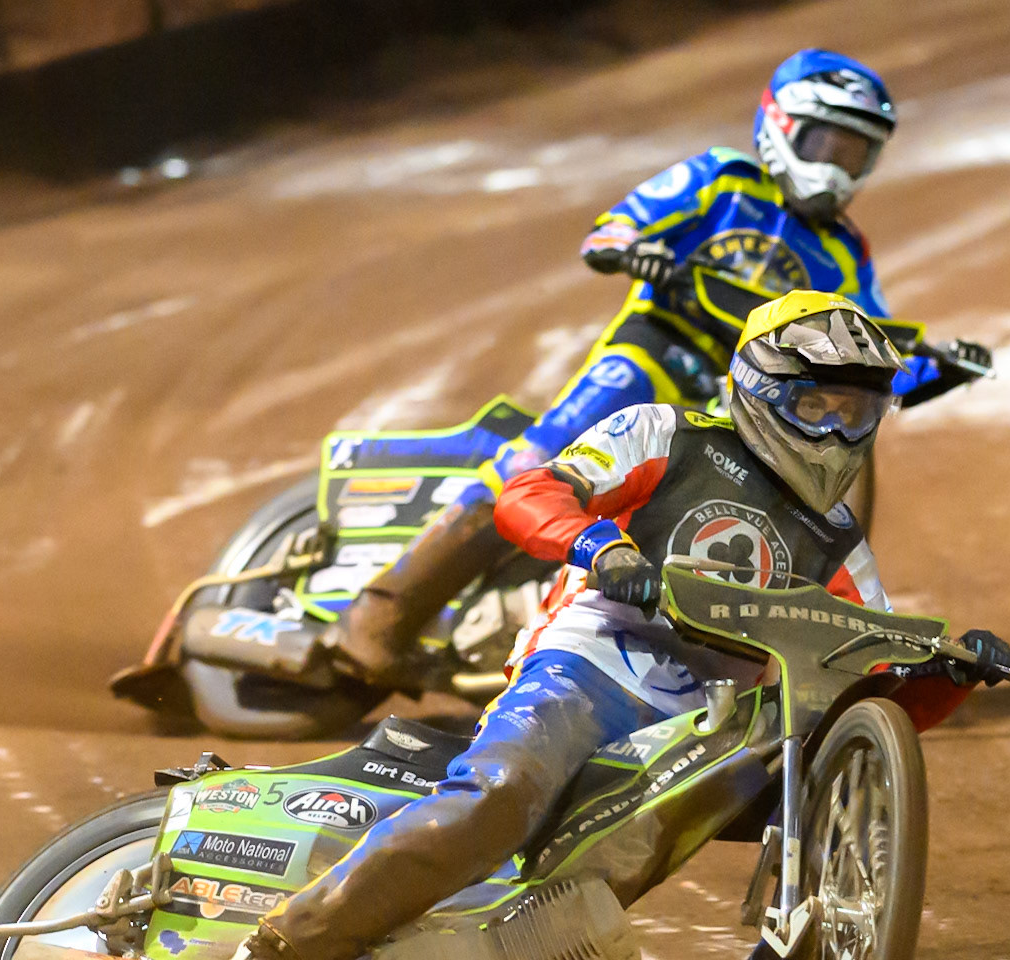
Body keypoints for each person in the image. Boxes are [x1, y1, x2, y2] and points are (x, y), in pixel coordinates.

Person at [199, 291, 1010, 960]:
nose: (838, 434)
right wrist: (598, 543)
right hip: (589, 663)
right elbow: (531, 489)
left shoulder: (840, 541)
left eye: (858, 413)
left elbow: (869, 690)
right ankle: (283, 957)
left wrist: (950, 671)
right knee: (501, 795)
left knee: (815, 801)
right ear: (761, 391)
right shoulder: (666, 435)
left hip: (707, 727)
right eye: (817, 406)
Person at [289, 47, 970, 688]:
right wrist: (630, 248)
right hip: (655, 348)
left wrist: (932, 369)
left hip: (743, 398)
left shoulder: (846, 251)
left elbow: (864, 352)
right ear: (781, 126)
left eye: (858, 152)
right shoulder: (723, 179)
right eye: (828, 145)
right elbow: (615, 227)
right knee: (543, 459)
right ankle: (379, 614)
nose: (840, 167)